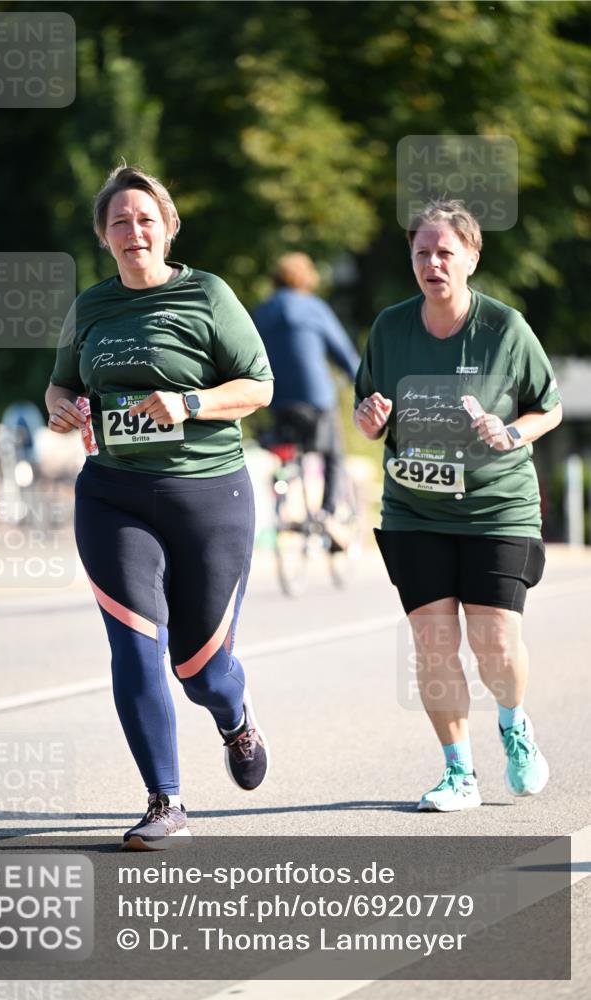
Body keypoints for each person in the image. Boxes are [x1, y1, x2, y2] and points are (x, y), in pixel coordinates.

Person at [46, 164, 274, 848]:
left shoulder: (207, 294)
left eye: (146, 219)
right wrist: (62, 411)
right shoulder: (90, 306)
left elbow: (258, 385)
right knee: (133, 647)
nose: (133, 230)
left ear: (167, 228)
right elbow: (57, 388)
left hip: (208, 494)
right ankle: (164, 800)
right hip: (112, 494)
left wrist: (191, 402)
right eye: (120, 221)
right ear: (104, 235)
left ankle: (234, 717)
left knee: (197, 667)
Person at [354, 198, 562, 812]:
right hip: (416, 508)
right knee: (434, 645)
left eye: (446, 252)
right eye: (422, 252)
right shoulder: (390, 328)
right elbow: (369, 413)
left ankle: (514, 722)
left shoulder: (505, 329)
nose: (433, 263)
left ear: (471, 257)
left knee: (495, 644)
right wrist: (369, 419)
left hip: (497, 507)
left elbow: (547, 406)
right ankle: (459, 773)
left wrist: (512, 432)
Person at [253, 253, 360, 539]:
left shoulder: (261, 312)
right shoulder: (314, 308)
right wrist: (362, 382)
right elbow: (343, 352)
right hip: (316, 398)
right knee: (334, 454)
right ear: (307, 279)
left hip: (277, 399)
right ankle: (328, 513)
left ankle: (283, 498)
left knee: (285, 450)